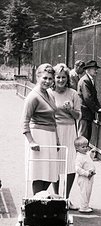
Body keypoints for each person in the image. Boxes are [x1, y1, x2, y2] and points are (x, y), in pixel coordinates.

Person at [21, 63, 59, 195]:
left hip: (50, 136)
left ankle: (40, 201)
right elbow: (24, 121)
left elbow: (53, 119)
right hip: (38, 136)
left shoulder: (49, 94)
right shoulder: (33, 96)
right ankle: (37, 203)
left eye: (50, 78)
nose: (47, 81)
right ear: (37, 77)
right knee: (39, 172)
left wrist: (57, 140)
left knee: (51, 172)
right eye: (45, 78)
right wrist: (31, 141)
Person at [50, 63, 81, 205]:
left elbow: (78, 116)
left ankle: (66, 197)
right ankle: (56, 196)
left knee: (70, 164)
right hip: (54, 130)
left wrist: (70, 110)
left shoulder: (73, 94)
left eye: (63, 77)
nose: (61, 80)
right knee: (55, 163)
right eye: (58, 77)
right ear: (53, 78)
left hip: (69, 131)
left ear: (67, 78)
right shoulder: (49, 93)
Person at [77, 59, 101, 144]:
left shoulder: (89, 80)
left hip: (87, 114)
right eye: (94, 69)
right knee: (83, 137)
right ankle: (80, 156)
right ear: (88, 70)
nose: (96, 71)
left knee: (86, 136)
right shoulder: (85, 80)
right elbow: (87, 98)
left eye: (96, 69)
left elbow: (93, 97)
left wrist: (99, 107)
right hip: (84, 113)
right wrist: (97, 109)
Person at [74, 136, 96, 213]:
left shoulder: (85, 154)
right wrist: (86, 173)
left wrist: (91, 154)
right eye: (83, 147)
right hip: (84, 178)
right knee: (84, 192)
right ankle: (83, 207)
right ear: (77, 149)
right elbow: (77, 169)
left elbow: (89, 160)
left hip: (90, 176)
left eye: (86, 146)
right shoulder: (79, 157)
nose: (86, 148)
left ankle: (86, 205)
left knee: (88, 191)